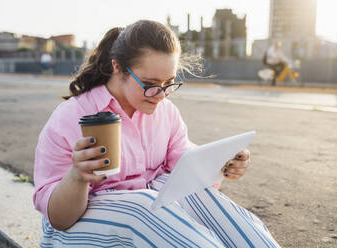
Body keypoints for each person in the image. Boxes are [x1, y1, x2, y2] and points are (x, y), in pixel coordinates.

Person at [33, 20, 281, 247]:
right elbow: (58, 220)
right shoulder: (71, 116)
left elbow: (187, 167)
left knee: (197, 195)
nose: (161, 95)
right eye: (150, 85)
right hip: (76, 226)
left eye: (169, 83)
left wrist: (222, 163)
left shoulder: (166, 112)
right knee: (142, 205)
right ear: (118, 68)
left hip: (150, 216)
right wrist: (77, 177)